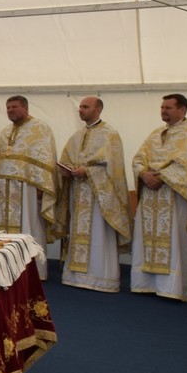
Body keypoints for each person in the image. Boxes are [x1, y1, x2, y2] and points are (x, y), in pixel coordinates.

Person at [130, 93, 187, 302]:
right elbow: (139, 157)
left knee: (176, 238)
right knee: (147, 238)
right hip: (151, 194)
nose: (163, 111)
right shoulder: (156, 133)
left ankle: (174, 287)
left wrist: (161, 176)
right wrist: (143, 174)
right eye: (162, 108)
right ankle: (146, 283)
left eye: (168, 108)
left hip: (174, 195)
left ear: (182, 110)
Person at [53, 97, 129, 293]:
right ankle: (76, 276)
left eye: (85, 107)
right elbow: (67, 159)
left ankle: (101, 277)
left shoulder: (110, 135)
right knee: (77, 230)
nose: (81, 110)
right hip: (78, 194)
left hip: (99, 196)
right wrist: (65, 171)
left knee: (98, 233)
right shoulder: (77, 136)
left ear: (98, 109)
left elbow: (114, 168)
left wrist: (88, 171)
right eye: (80, 107)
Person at [0, 95, 57, 241]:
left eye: (14, 107)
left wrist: (43, 187)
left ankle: (31, 261)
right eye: (8, 108)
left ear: (25, 108)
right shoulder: (5, 131)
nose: (10, 110)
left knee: (28, 224)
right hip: (3, 190)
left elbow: (46, 157)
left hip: (28, 188)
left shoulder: (40, 128)